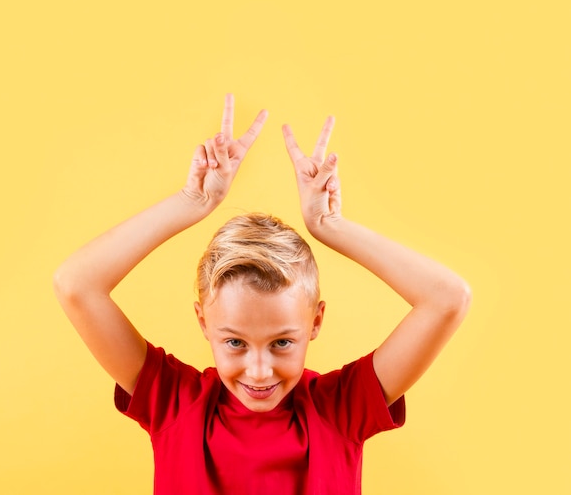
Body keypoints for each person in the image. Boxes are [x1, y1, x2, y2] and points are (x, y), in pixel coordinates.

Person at [54, 94, 471, 494]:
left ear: (316, 322)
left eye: (282, 343)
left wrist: (330, 225)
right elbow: (75, 285)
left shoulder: (341, 411)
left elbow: (448, 298)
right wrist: (191, 201)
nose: (258, 371)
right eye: (235, 342)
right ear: (203, 322)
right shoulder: (173, 402)